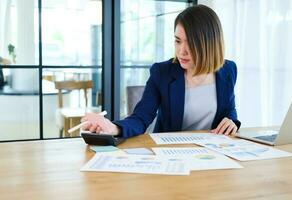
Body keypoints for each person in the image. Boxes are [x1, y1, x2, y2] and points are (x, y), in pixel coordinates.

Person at [81, 4, 241, 138]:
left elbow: (229, 108)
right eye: (178, 41)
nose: (181, 51)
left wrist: (231, 120)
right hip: (171, 152)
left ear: (209, 44)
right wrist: (113, 128)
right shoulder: (162, 72)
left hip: (211, 152)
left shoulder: (228, 70)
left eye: (190, 43)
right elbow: (141, 118)